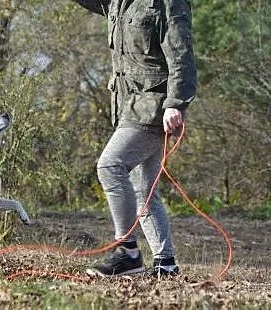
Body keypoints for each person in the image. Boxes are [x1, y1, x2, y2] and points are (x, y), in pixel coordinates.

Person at [72, 0, 197, 277]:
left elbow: (181, 53)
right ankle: (166, 264)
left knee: (110, 165)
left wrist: (176, 103)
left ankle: (127, 252)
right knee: (144, 189)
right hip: (126, 105)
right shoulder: (116, 2)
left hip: (154, 105)